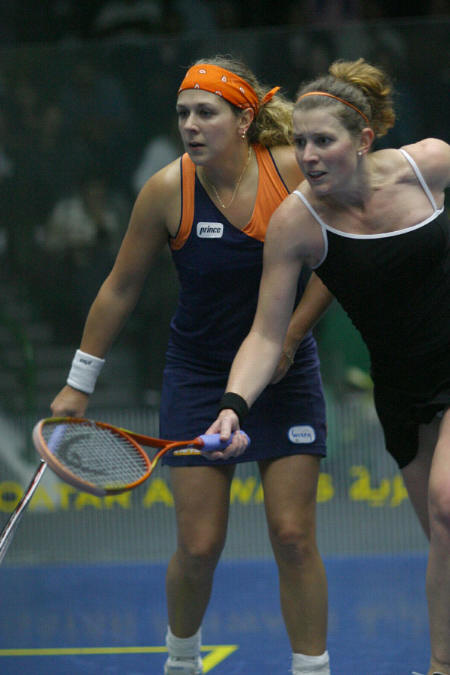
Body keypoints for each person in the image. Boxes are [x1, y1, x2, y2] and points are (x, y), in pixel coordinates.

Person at [49, 56, 332, 675]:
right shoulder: (165, 190)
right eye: (183, 113)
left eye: (207, 112)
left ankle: (313, 668)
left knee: (293, 536)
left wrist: (290, 338)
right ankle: (181, 662)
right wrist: (78, 383)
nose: (191, 125)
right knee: (199, 547)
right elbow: (120, 287)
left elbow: (339, 259)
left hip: (286, 375)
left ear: (244, 120)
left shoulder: (290, 171)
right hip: (199, 375)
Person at [207, 58, 450, 675]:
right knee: (443, 537)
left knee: (448, 504)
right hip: (401, 389)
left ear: (363, 140)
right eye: (300, 143)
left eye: (323, 141)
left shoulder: (429, 165)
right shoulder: (297, 221)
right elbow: (266, 335)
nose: (308, 156)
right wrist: (234, 406)